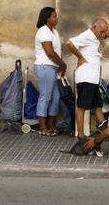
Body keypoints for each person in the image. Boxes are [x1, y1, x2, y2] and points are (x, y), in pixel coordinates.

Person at [65, 18, 109, 141]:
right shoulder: (86, 35)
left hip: (93, 79)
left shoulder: (95, 38)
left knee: (98, 105)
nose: (103, 35)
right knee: (82, 107)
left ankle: (104, 129)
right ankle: (81, 135)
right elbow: (69, 43)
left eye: (104, 32)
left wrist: (103, 34)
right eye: (101, 32)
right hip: (86, 77)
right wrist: (80, 57)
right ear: (94, 27)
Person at [34, 7, 67, 136]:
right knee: (45, 96)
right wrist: (62, 64)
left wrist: (59, 65)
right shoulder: (43, 31)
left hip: (52, 67)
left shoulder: (54, 31)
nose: (56, 18)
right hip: (45, 66)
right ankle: (42, 126)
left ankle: (51, 124)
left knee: (56, 97)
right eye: (54, 16)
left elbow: (55, 53)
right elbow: (50, 52)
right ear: (47, 18)